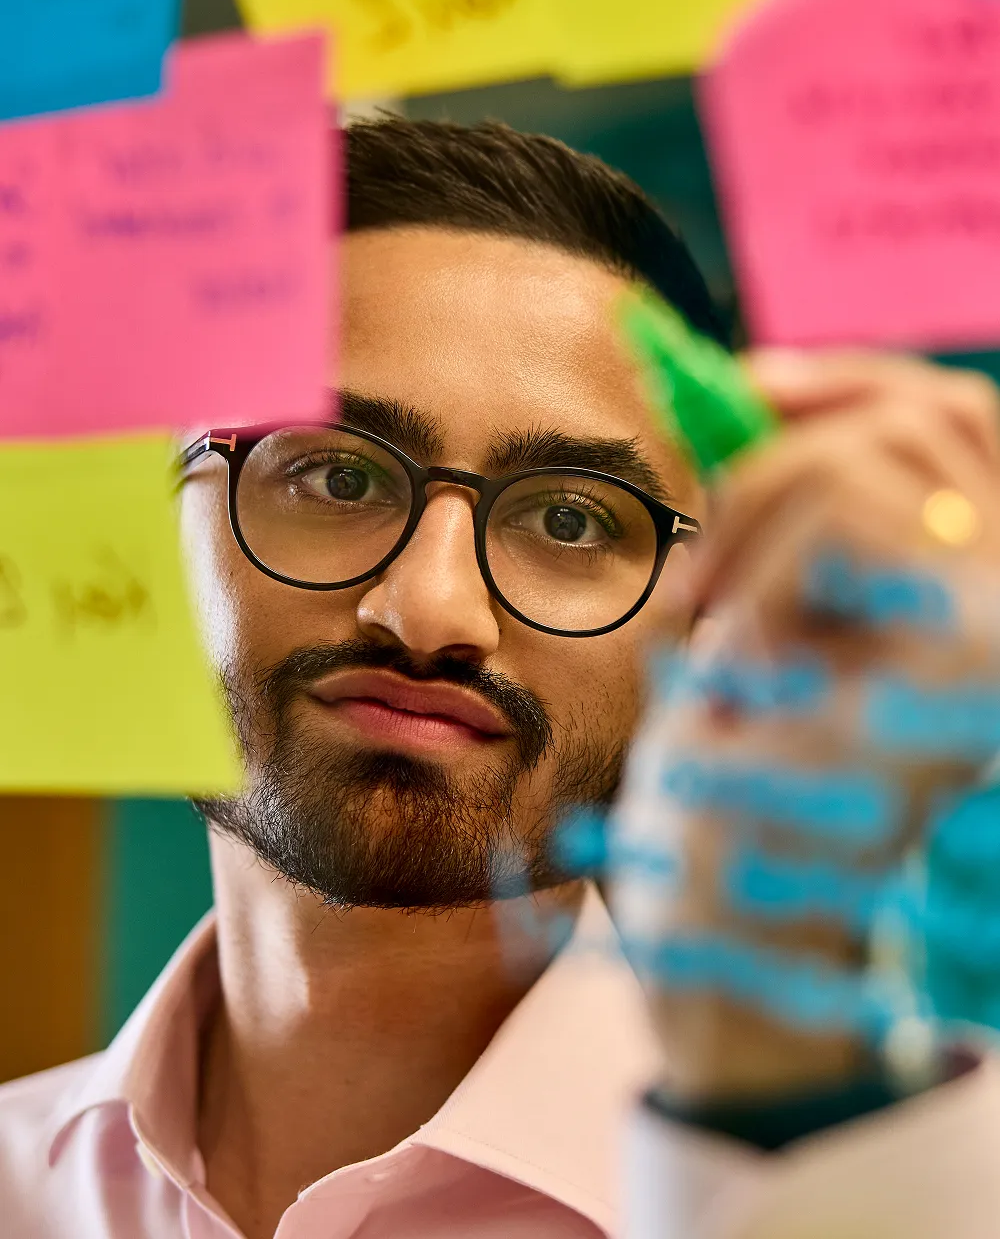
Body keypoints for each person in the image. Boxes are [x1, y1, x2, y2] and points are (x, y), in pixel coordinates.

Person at [3, 117, 1000, 1239]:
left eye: (570, 517)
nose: (430, 610)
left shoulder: (913, 1187)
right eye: (333, 475)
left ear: (710, 601)